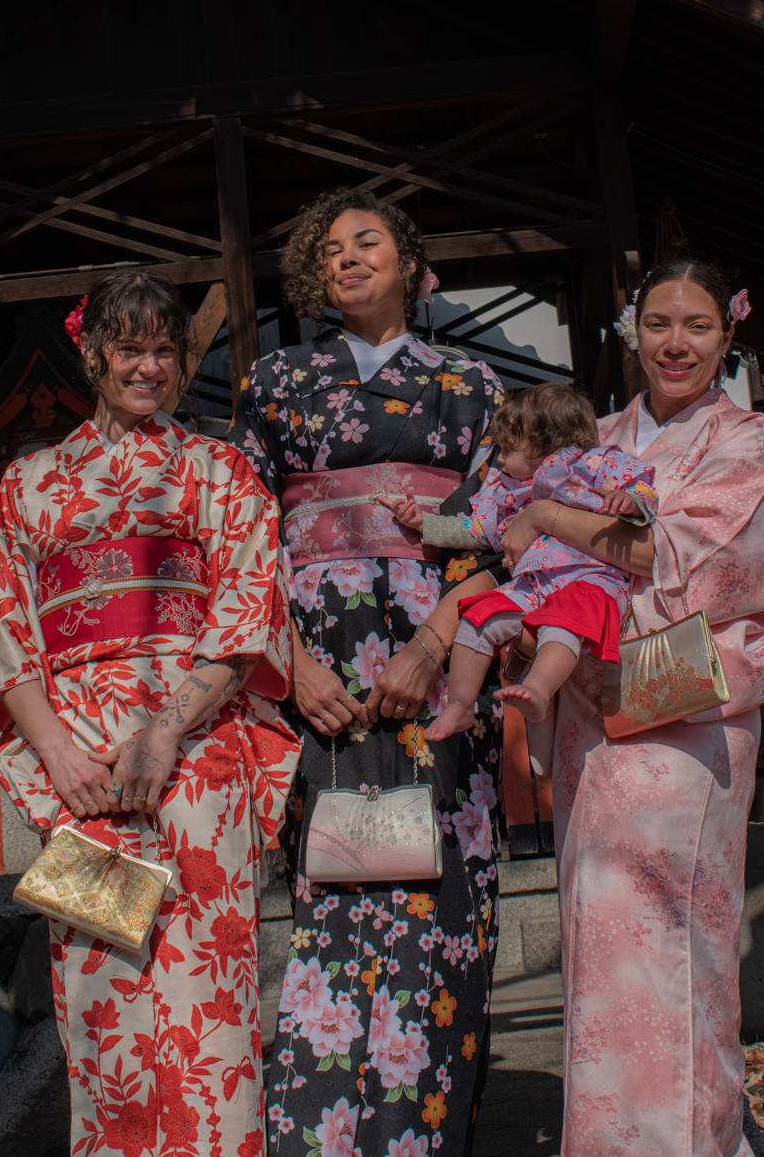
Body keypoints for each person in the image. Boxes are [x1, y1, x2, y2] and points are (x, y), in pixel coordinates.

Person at [0, 272, 298, 1157]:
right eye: (130, 348)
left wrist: (163, 730)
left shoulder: (218, 471)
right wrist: (59, 755)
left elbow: (245, 611)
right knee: (100, 993)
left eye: (166, 351)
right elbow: (4, 631)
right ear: (94, 354)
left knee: (209, 993)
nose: (149, 366)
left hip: (195, 747)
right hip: (79, 768)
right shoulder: (30, 481)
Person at [500, 258, 764, 1157]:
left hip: (685, 719)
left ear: (728, 336)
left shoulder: (747, 441)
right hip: (595, 717)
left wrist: (552, 519)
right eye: (659, 323)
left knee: (675, 947)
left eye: (697, 326)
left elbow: (685, 558)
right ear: (633, 330)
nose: (676, 343)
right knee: (601, 947)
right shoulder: (603, 436)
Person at [235, 187, 505, 1157]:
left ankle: (420, 1131)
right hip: (323, 672)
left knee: (442, 891)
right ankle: (320, 1136)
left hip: (440, 663)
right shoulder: (275, 382)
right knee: (336, 894)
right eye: (332, 250)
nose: (349, 259)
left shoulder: (472, 385)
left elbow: (502, 530)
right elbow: (243, 537)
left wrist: (435, 644)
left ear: (408, 260)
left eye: (369, 243)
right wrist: (293, 666)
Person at [383, 381, 657, 737]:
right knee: (477, 618)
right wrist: (424, 524)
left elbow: (641, 486)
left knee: (562, 623)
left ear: (543, 446)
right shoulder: (511, 490)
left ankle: (539, 690)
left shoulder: (596, 463)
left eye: (509, 449)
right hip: (534, 584)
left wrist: (631, 503)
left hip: (590, 580)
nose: (499, 458)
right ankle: (459, 706)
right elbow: (477, 529)